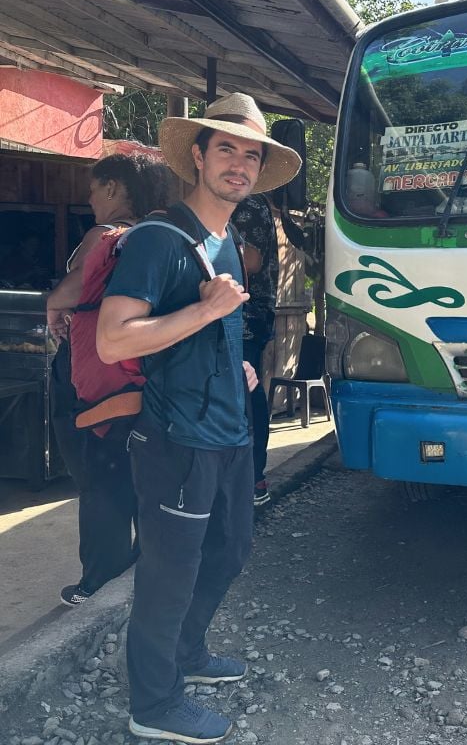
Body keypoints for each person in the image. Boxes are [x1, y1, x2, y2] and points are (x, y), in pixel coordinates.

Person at [96, 93, 300, 744]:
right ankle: (153, 704)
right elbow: (113, 339)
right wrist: (206, 313)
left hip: (229, 431)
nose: (239, 164)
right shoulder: (158, 241)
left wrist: (231, 362)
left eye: (251, 155)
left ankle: (186, 653)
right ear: (198, 156)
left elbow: (208, 329)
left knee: (231, 549)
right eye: (226, 149)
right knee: (170, 573)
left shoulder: (227, 242)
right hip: (176, 440)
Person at [46, 153, 172, 607]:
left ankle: (98, 581)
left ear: (115, 188)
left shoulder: (105, 233)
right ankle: (139, 566)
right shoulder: (153, 238)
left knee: (96, 474)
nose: (91, 199)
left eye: (94, 190)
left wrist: (52, 304)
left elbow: (75, 288)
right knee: (129, 468)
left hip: (92, 371)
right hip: (133, 372)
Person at [230, 193, 278, 507]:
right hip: (243, 309)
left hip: (247, 310)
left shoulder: (248, 205)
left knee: (246, 388)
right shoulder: (249, 203)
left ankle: (253, 476)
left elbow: (251, 260)